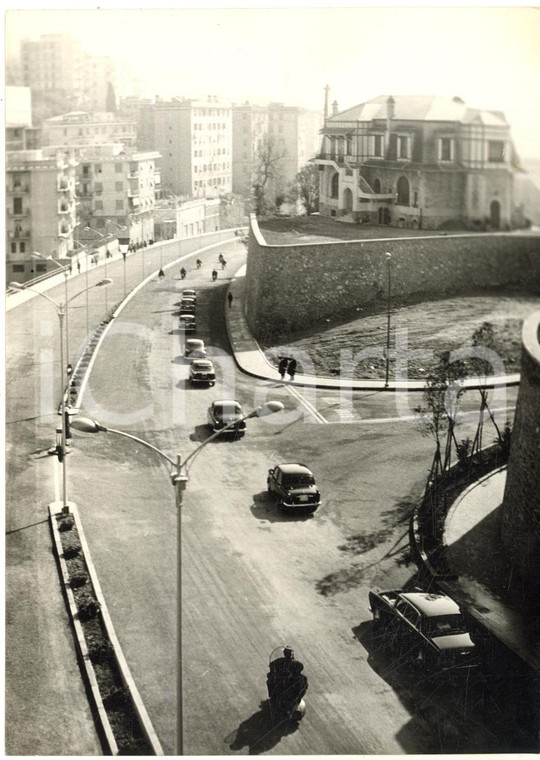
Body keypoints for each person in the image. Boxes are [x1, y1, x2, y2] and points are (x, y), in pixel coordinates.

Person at [267, 647, 307, 723]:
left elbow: (284, 685)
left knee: (273, 685)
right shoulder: (303, 678)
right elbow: (304, 689)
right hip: (295, 697)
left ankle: (274, 701)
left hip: (289, 696)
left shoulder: (290, 678)